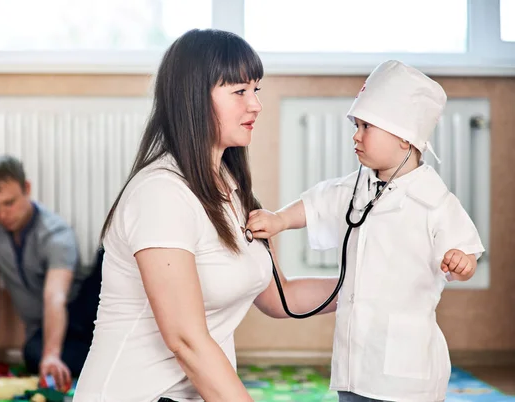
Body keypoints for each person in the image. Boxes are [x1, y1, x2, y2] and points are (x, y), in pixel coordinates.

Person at [73, 28, 339, 402]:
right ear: (194, 99)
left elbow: (282, 298)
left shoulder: (233, 189)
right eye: (239, 91)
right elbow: (186, 339)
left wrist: (368, 284)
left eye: (256, 89)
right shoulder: (160, 194)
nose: (256, 105)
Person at [246, 60, 485, 401]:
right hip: (355, 361)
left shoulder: (434, 201)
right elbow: (319, 203)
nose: (355, 136)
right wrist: (279, 221)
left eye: (366, 127)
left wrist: (462, 262)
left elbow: (466, 253)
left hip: (407, 373)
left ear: (405, 139)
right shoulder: (358, 187)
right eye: (356, 125)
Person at [0, 155, 102, 390]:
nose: (2, 214)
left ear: (27, 189)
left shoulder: (56, 234)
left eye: (9, 203)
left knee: (106, 258)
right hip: (48, 330)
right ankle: (103, 361)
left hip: (81, 315)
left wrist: (52, 354)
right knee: (33, 353)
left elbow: (55, 297)